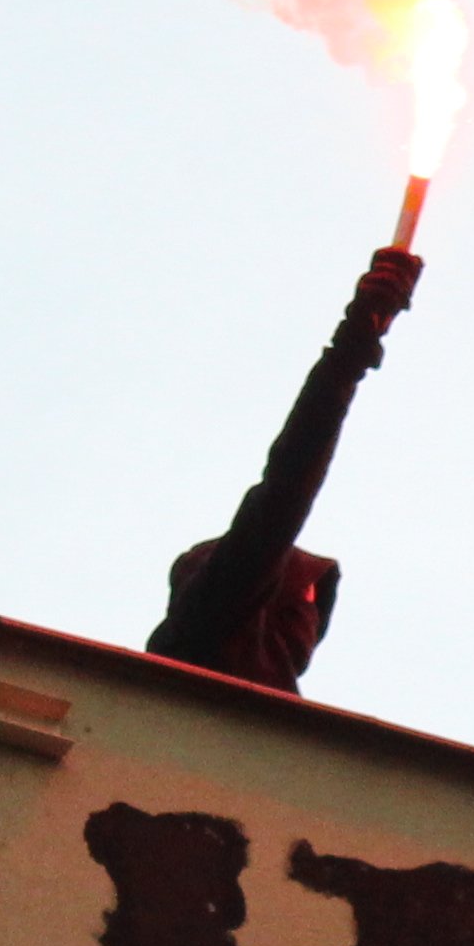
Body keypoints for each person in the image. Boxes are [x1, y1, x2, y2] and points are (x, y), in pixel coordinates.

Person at [148, 242, 421, 691]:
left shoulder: (281, 730)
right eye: (306, 597)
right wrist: (354, 345)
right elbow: (287, 486)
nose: (312, 619)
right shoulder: (209, 635)